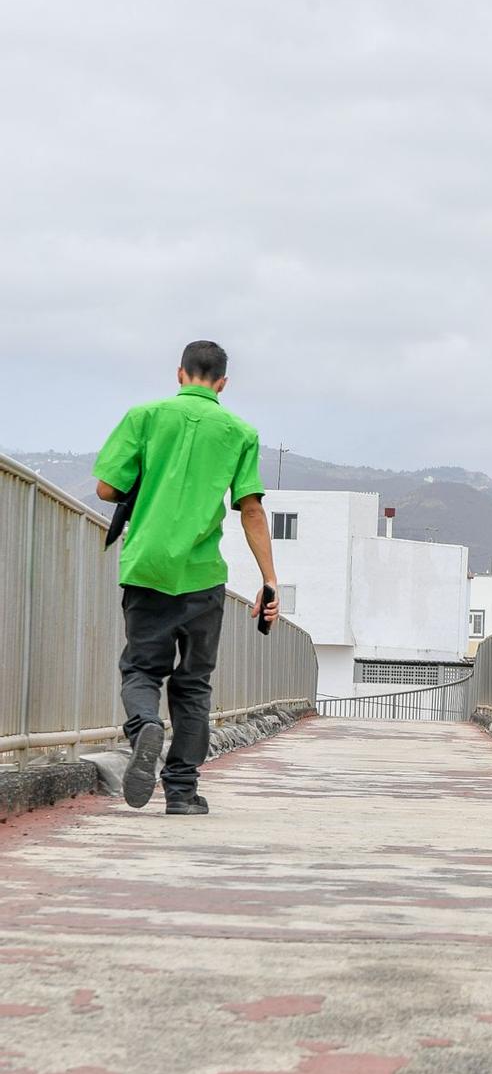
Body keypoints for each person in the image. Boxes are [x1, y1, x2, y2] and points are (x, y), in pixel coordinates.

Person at [93, 340, 280, 814]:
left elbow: (106, 487)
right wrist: (269, 581)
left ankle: (143, 727)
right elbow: (251, 508)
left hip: (147, 566)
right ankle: (181, 791)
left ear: (180, 374)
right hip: (202, 575)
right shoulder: (241, 431)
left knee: (140, 668)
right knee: (194, 683)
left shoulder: (145, 416)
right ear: (222, 383)